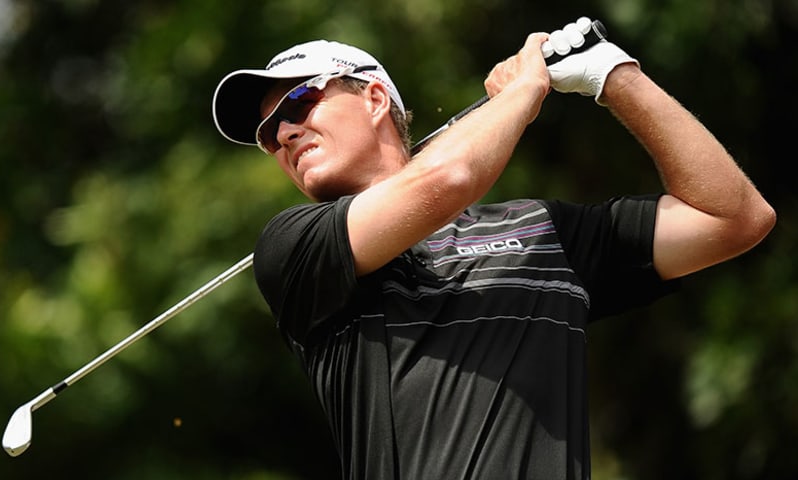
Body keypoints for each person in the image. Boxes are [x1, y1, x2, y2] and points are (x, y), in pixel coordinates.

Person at [211, 19, 775, 480]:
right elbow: (447, 179)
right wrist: (526, 93)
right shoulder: (293, 248)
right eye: (267, 132)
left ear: (376, 98)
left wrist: (615, 77)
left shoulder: (545, 232)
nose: (283, 133)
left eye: (300, 101)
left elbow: (734, 218)